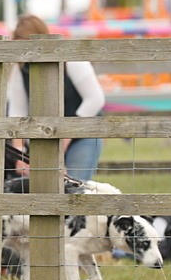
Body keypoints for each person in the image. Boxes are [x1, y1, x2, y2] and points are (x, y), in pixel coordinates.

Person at [7, 14, 106, 182]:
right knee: (42, 187)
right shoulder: (20, 68)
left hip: (83, 134)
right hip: (45, 138)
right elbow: (17, 112)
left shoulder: (72, 60)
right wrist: (20, 153)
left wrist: (64, 140)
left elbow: (95, 99)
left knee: (75, 186)